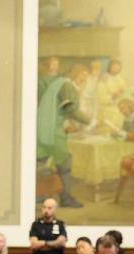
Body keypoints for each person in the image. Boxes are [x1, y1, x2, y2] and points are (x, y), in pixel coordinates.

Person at [37, 57, 87, 208]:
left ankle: (40, 194)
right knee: (64, 164)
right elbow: (70, 109)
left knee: (41, 161)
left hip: (42, 127)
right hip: (53, 129)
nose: (84, 78)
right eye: (83, 75)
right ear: (76, 73)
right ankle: (65, 198)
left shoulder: (58, 83)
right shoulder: (66, 85)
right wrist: (90, 121)